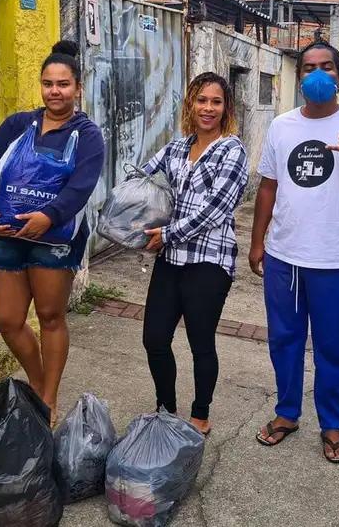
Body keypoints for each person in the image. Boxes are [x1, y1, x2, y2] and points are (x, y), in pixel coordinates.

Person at [250, 41, 339, 461]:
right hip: (284, 256)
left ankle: (332, 425)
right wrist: (258, 242)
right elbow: (269, 186)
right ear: (299, 76)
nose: (316, 73)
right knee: (284, 340)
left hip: (334, 260)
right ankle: (287, 413)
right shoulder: (282, 126)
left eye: (325, 66)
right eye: (308, 66)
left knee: (333, 348)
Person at [0, 41, 105, 427]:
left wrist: (48, 216)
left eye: (63, 84)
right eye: (48, 83)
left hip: (55, 239)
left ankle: (47, 398)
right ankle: (37, 381)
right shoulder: (18, 125)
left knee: (50, 316)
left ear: (77, 88)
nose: (55, 91)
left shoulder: (88, 135)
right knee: (6, 319)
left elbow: (81, 186)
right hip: (11, 234)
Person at [141, 72, 248, 435]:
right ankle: (165, 409)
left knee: (200, 343)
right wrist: (128, 212)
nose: (208, 108)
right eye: (201, 100)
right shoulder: (175, 148)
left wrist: (166, 232)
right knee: (154, 339)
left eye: (216, 102)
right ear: (191, 103)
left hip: (209, 261)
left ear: (225, 108)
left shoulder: (232, 150)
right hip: (170, 260)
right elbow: (141, 181)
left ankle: (200, 415)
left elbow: (216, 210)